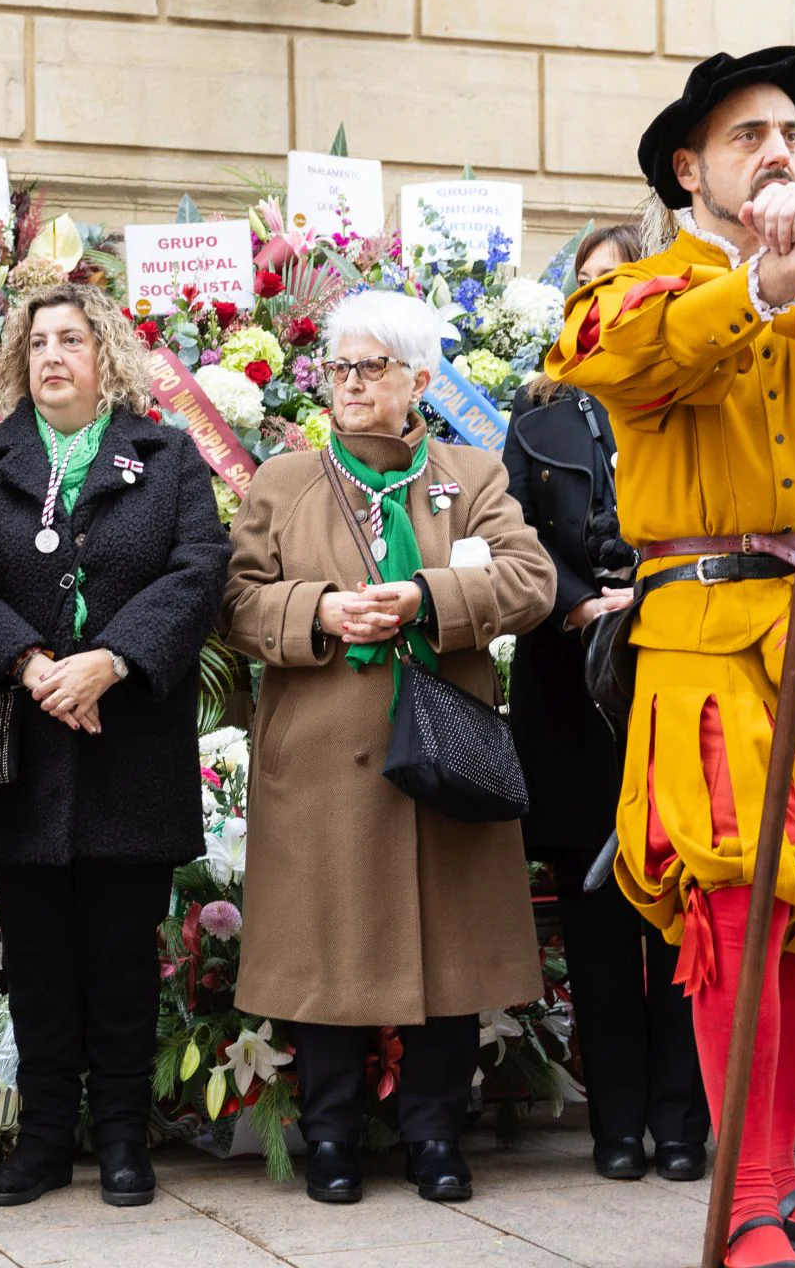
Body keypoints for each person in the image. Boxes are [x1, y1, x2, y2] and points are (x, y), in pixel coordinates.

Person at [544, 47, 795, 1268]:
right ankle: (748, 1201)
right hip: (707, 633)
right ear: (687, 167)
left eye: (788, 133)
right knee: (735, 901)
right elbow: (624, 362)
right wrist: (769, 273)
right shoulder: (634, 290)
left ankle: (776, 1184)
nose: (777, 150)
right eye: (744, 137)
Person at [221, 290, 554, 1205]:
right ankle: (329, 1139)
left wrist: (429, 599)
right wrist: (317, 610)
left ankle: (435, 1136)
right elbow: (237, 603)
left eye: (373, 367)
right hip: (321, 758)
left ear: (418, 379)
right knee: (328, 958)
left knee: (447, 960)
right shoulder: (283, 481)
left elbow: (531, 581)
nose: (353, 384)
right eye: (340, 368)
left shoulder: (471, 472)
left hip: (441, 752)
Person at [0, 283, 230, 1209]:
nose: (54, 354)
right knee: (40, 954)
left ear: (107, 358)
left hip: (128, 743)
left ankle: (125, 1139)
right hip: (23, 742)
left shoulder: (166, 458)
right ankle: (48, 1137)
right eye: (39, 341)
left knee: (125, 953)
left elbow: (198, 568)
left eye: (73, 340)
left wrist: (113, 661)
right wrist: (29, 662)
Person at [504, 225, 712, 1185]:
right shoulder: (534, 417)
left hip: (680, 669)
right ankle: (616, 1126)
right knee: (593, 921)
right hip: (570, 684)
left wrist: (660, 591)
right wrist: (576, 600)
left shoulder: (690, 392)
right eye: (584, 286)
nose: (600, 299)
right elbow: (505, 535)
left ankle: (684, 1119)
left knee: (681, 910)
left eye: (616, 281)